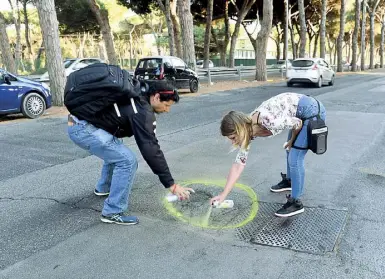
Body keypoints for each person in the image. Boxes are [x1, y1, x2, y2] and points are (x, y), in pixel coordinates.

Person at [67, 81, 194, 225]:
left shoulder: (138, 93)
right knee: (127, 161)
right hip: (84, 129)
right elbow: (151, 149)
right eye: (167, 105)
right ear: (157, 97)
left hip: (80, 122)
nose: (167, 110)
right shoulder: (143, 112)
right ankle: (112, 211)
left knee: (116, 150)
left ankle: (104, 187)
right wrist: (171, 185)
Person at [210, 93, 326, 217]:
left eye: (233, 137)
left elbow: (297, 124)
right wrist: (223, 195)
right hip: (297, 114)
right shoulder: (248, 130)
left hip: (312, 112)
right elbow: (238, 165)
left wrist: (292, 141)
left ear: (240, 129)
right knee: (289, 150)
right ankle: (290, 181)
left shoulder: (267, 121)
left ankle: (295, 202)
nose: (233, 142)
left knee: (295, 157)